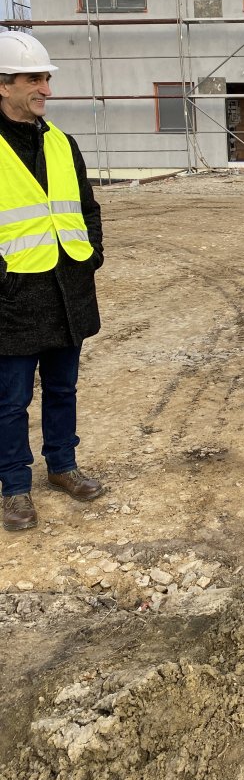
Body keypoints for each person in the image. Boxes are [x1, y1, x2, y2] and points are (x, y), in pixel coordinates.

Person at [0, 31, 104, 532]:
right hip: (13, 297)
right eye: (34, 79)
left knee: (63, 388)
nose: (46, 88)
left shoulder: (62, 142)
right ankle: (14, 488)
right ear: (4, 85)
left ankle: (63, 465)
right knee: (10, 401)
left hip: (67, 290)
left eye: (46, 78)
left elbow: (87, 207)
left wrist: (92, 256)